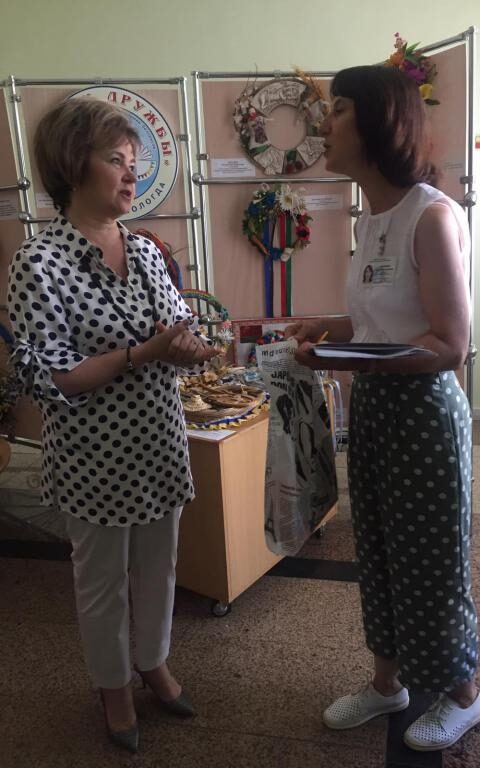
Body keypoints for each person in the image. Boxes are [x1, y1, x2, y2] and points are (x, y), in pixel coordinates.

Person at [7, 97, 218, 753]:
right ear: (74, 165)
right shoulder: (39, 263)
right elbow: (53, 378)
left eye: (135, 162)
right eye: (117, 160)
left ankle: (152, 662)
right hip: (94, 458)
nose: (132, 175)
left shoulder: (146, 251)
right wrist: (144, 353)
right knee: (100, 582)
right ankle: (113, 686)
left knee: (159, 568)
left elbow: (175, 329)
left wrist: (191, 348)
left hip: (158, 444)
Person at [286, 65, 480, 752]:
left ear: (378, 123)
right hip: (374, 406)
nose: (324, 122)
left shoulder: (431, 216)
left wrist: (346, 359)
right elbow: (384, 320)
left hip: (423, 413)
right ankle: (387, 684)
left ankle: (464, 695)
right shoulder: (371, 218)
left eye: (338, 108)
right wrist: (332, 327)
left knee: (431, 560)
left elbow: (448, 344)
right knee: (376, 551)